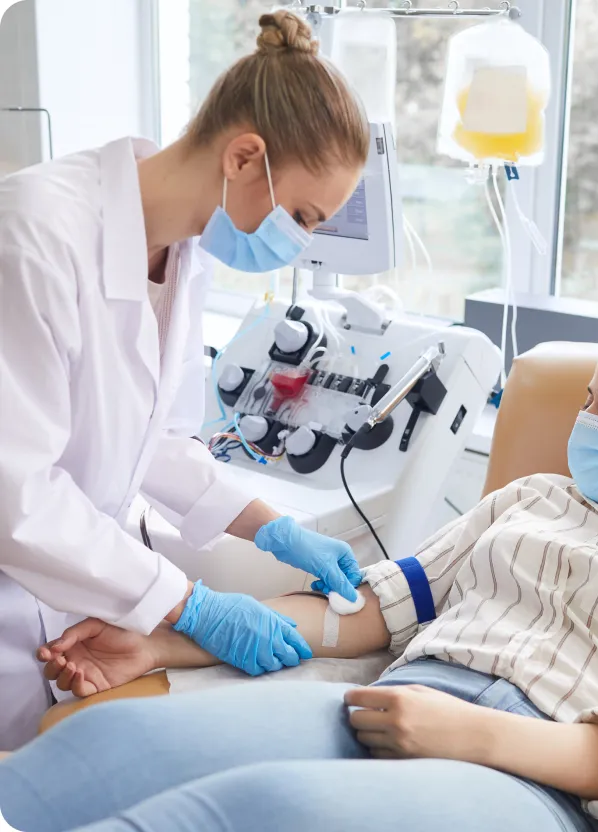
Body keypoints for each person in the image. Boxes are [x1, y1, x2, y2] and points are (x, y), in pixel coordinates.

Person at [1, 314, 598, 832]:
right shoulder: (534, 500)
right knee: (113, 743)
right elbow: (374, 609)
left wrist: (477, 734)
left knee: (271, 813)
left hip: (537, 783)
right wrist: (169, 640)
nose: (585, 424)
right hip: (387, 706)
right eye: (584, 404)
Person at [0, 11, 369, 751]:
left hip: (66, 593)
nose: (297, 239)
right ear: (242, 157)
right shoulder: (33, 232)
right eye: (301, 214)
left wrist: (272, 527)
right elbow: (14, 490)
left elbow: (158, 441)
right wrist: (190, 606)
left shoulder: (184, 250)